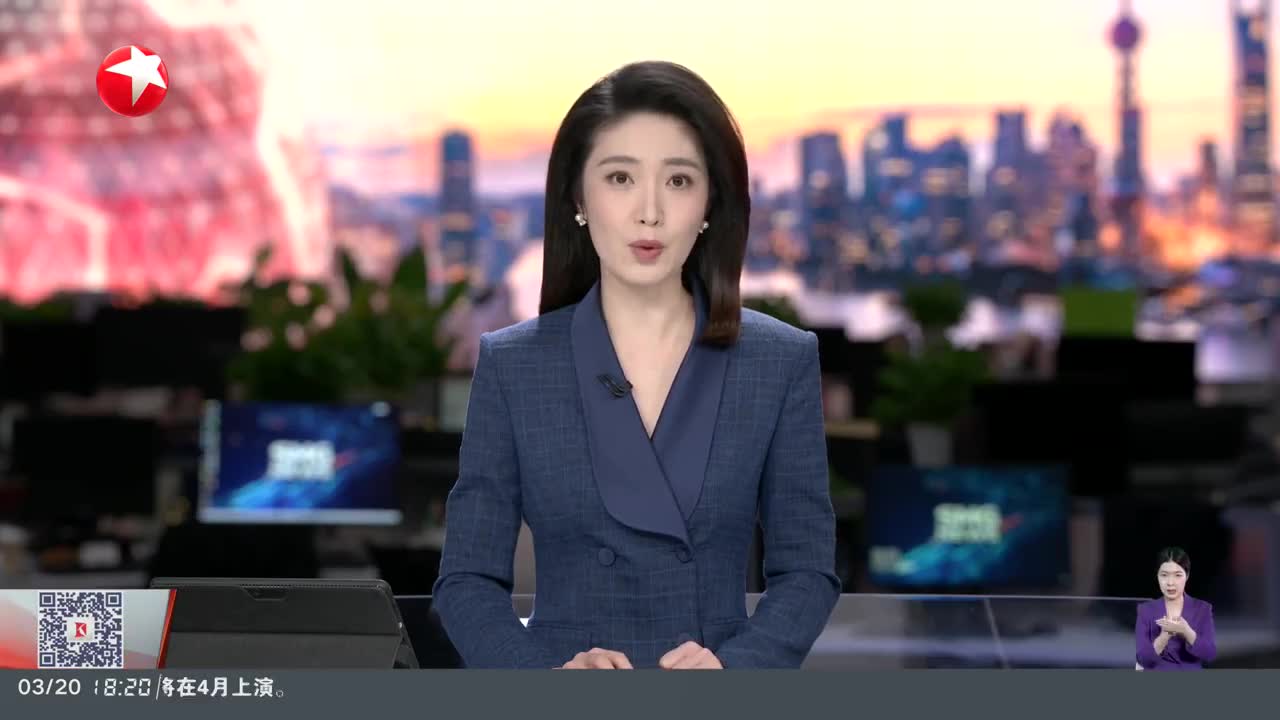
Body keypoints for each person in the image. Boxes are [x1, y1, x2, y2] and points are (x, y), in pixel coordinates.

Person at [431, 60, 841, 669]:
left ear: (710, 202)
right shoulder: (513, 365)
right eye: (620, 178)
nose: (649, 212)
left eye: (678, 181)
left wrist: (735, 669)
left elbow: (807, 571)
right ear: (579, 197)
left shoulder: (779, 360)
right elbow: (466, 580)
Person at [1135, 547, 1217, 670]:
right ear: (1157, 576)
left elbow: (1209, 654)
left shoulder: (1202, 609)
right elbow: (1142, 659)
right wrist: (1164, 637)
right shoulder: (1145, 610)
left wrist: (1186, 631)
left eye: (1178, 575)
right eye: (1164, 575)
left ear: (1187, 576)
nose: (1170, 582)